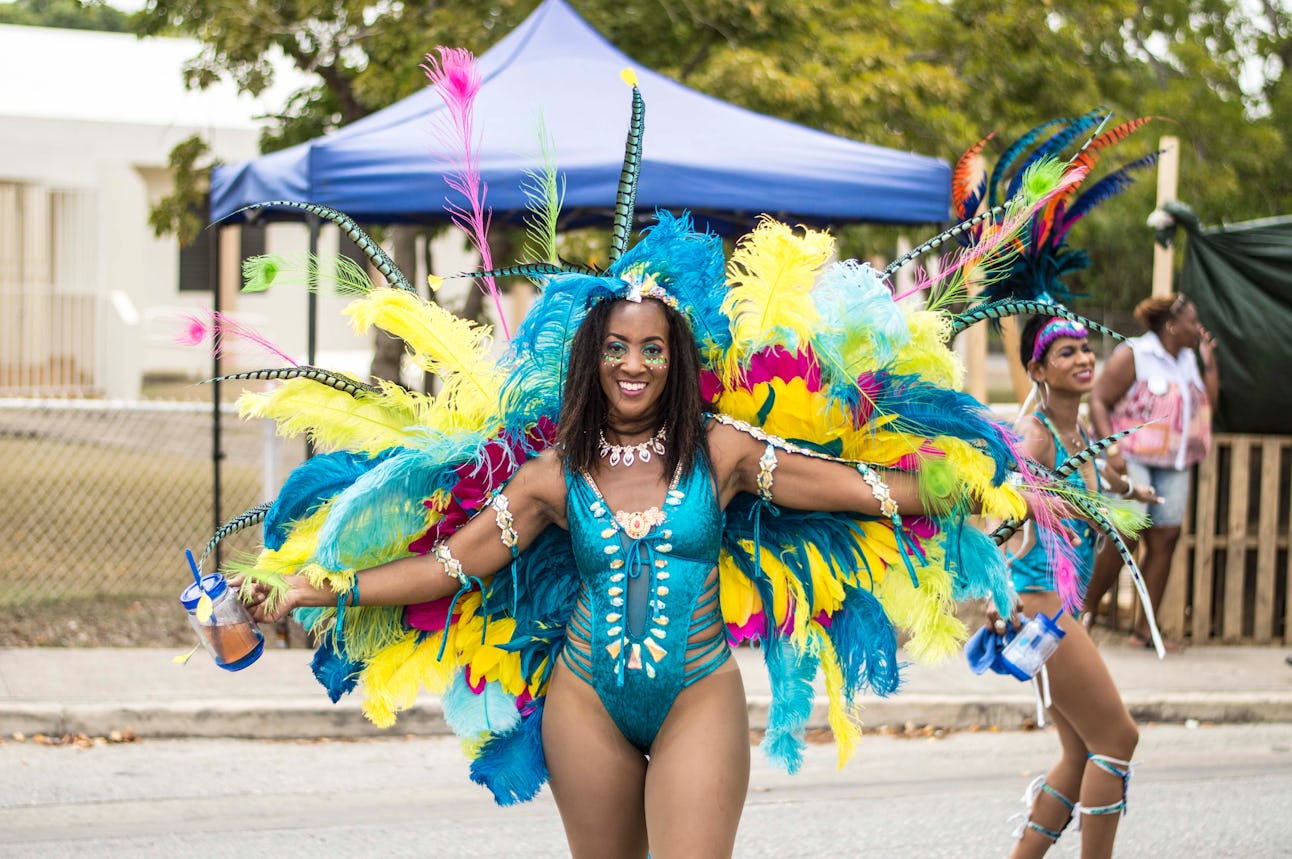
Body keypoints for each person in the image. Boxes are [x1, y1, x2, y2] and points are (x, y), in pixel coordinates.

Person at [240, 287, 1020, 858]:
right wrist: (325, 586)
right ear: (593, 358)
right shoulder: (553, 477)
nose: (634, 363)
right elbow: (449, 566)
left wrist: (970, 492)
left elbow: (858, 488)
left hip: (696, 693)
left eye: (652, 348)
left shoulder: (722, 450)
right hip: (585, 703)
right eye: (616, 346)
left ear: (675, 360)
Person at [992, 315, 1158, 858]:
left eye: (1086, 349)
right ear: (1038, 369)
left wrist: (1133, 489)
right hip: (1039, 604)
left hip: (1061, 606)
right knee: (1117, 739)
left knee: (1080, 753)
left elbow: (1099, 478)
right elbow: (1001, 504)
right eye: (1066, 353)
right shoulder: (1034, 433)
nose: (1084, 359)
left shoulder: (1076, 431)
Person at [1084, 293, 1220, 647]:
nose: (1198, 328)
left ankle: (1145, 629)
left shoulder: (1189, 360)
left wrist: (1211, 364)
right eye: (1193, 321)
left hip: (1176, 464)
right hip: (1133, 458)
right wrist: (1111, 449)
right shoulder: (1135, 353)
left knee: (1165, 539)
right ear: (1173, 326)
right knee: (1127, 531)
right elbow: (1098, 399)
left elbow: (1208, 408)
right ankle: (1083, 613)